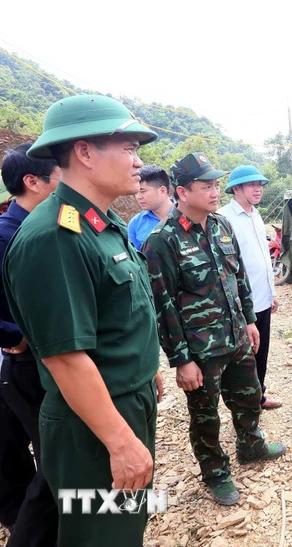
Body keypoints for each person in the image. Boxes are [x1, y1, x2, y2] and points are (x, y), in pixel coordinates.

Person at [2, 94, 163, 546]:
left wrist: (144, 369)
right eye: (129, 148)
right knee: (100, 535)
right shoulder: (54, 236)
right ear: (85, 152)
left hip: (122, 401)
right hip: (91, 422)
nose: (138, 162)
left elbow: (115, 318)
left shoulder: (100, 223)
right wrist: (119, 442)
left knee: (124, 524)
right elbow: (66, 359)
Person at [142, 153, 286, 506]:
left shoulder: (222, 225)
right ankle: (215, 472)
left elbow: (239, 279)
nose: (214, 191)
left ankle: (251, 445)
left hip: (236, 337)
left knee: (249, 396)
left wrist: (250, 320)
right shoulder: (163, 240)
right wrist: (181, 360)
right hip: (200, 349)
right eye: (206, 185)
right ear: (182, 191)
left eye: (216, 184)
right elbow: (163, 306)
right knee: (205, 416)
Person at [0, 144, 59, 546]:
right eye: (59, 178)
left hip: (50, 360)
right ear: (32, 182)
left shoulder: (53, 225)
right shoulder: (7, 235)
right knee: (53, 459)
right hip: (26, 366)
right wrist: (14, 336)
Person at [217, 166, 282, 410]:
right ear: (236, 188)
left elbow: (263, 257)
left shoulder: (256, 215)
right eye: (251, 185)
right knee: (244, 357)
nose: (258, 189)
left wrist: (272, 292)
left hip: (262, 297)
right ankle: (244, 407)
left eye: (260, 185)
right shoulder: (224, 218)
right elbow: (227, 267)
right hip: (241, 303)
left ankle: (259, 396)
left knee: (261, 351)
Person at [128, 165, 174, 250]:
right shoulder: (135, 223)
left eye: (142, 191)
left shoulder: (188, 215)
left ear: (162, 191)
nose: (138, 197)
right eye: (136, 192)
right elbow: (136, 259)